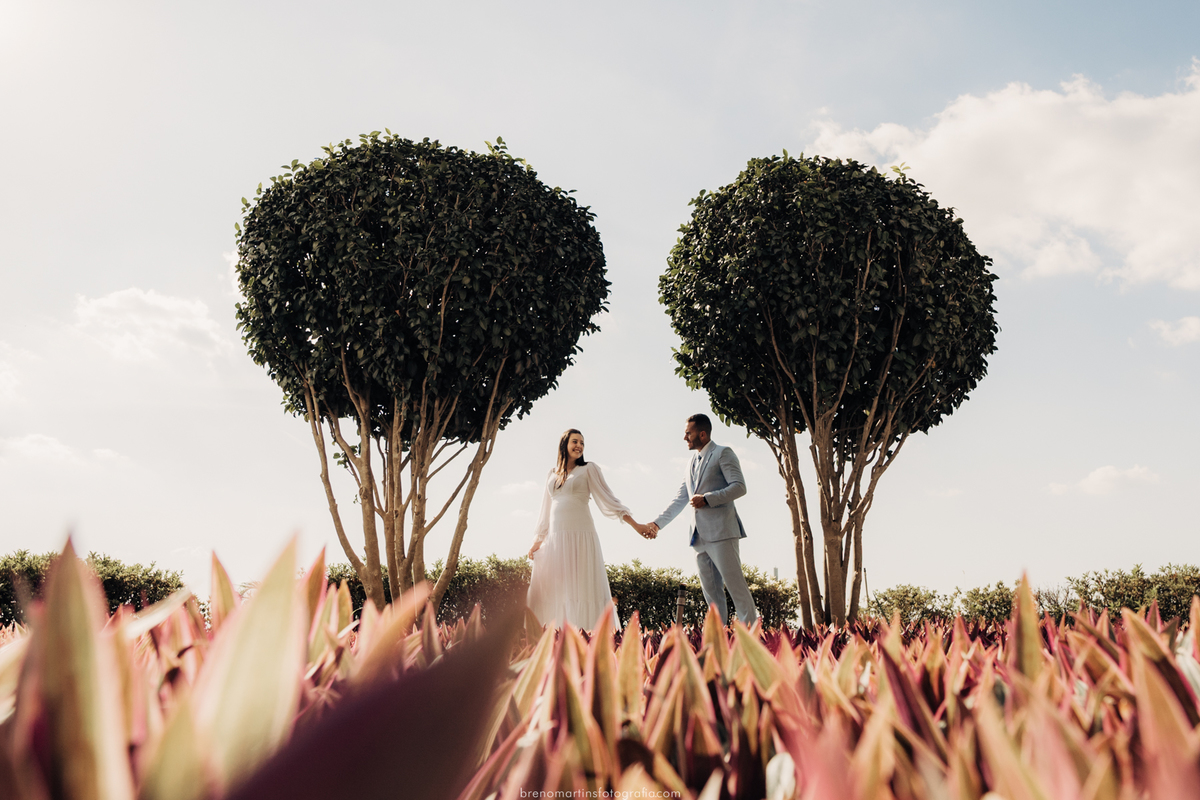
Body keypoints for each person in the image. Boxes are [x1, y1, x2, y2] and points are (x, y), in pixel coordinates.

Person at [526, 428, 655, 629]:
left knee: (583, 588)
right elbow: (545, 509)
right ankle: (556, 635)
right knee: (556, 589)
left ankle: (588, 635)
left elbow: (609, 500)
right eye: (575, 441)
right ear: (564, 444)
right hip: (556, 538)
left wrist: (636, 525)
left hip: (581, 536)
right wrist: (537, 542)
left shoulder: (589, 469)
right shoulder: (551, 474)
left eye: (582, 443)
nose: (579, 446)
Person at [647, 413, 759, 626]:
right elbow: (681, 499)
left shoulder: (723, 453)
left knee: (736, 588)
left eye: (688, 433)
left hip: (722, 533)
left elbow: (739, 486)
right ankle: (720, 638)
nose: (684, 438)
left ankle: (751, 638)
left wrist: (708, 499)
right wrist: (657, 524)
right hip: (698, 539)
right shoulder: (690, 462)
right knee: (712, 595)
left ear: (703, 434)